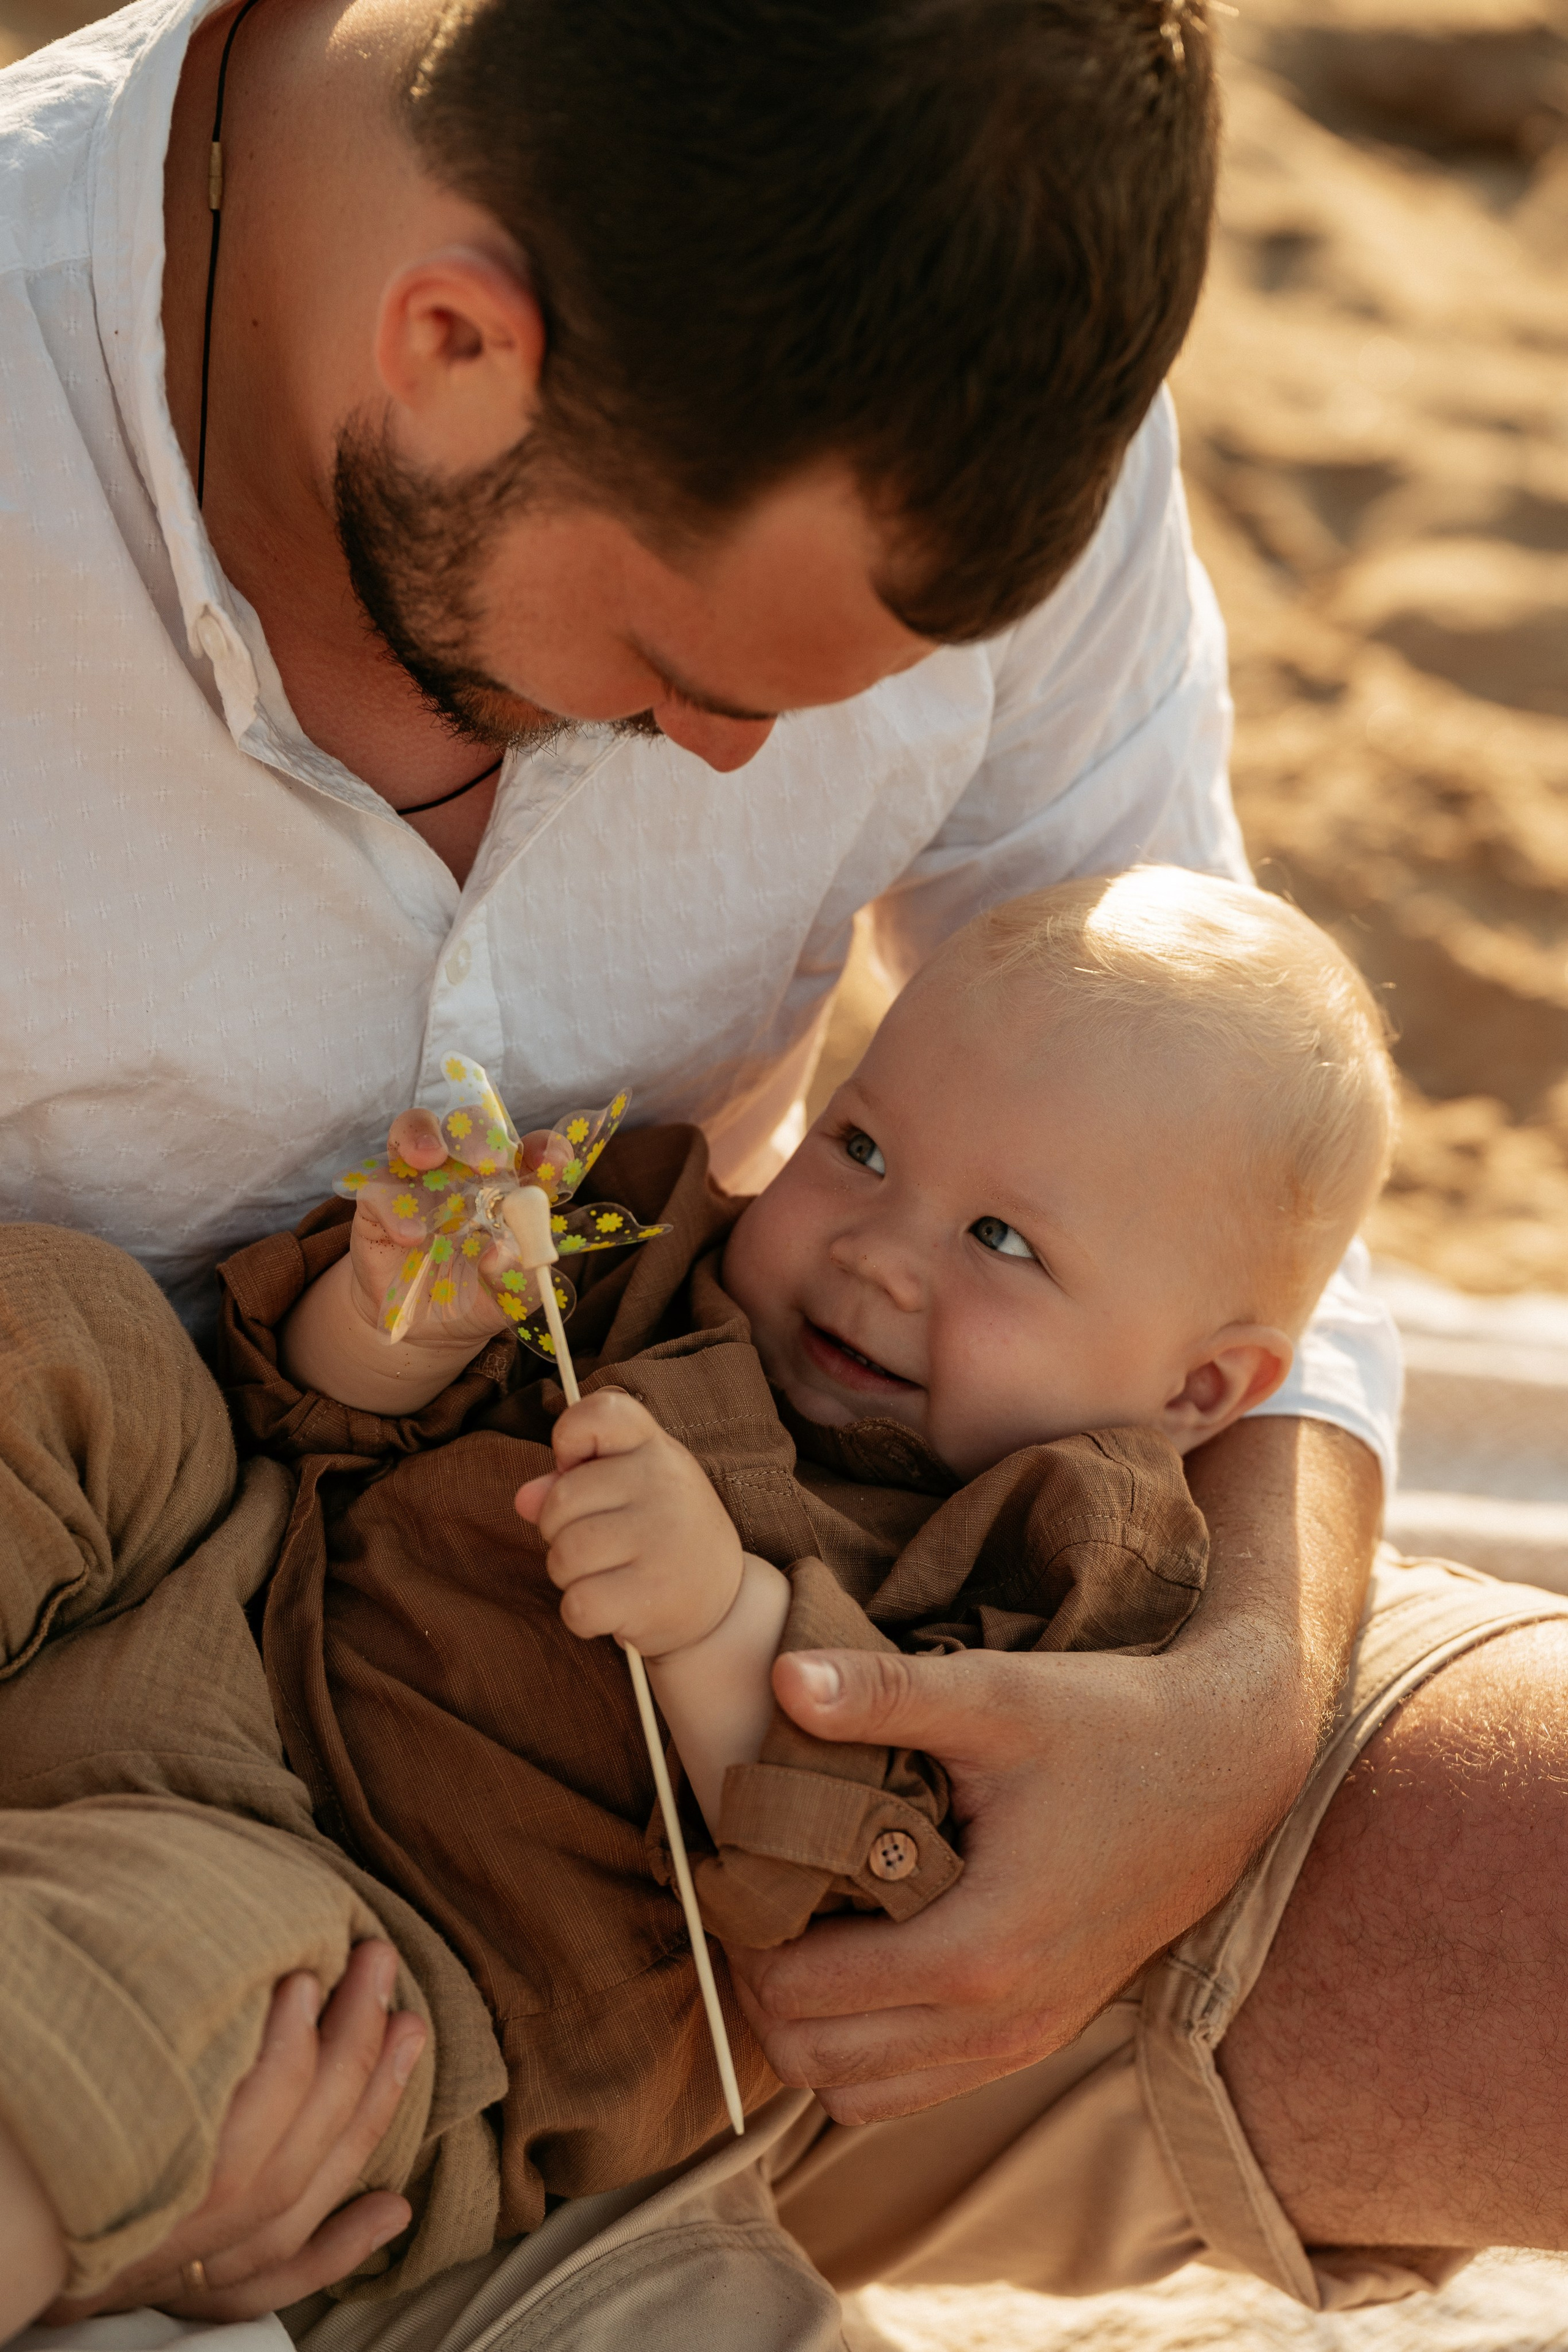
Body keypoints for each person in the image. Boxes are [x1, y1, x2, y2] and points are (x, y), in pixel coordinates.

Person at [0, 0, 1561, 2333]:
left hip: (722, 1954)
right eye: (677, 667)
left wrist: (1229, 1706)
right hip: (137, 1765)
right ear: (452, 342)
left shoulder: (956, 339)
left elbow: (1224, 1132)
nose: (742, 762)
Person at [0, 870, 1403, 2324]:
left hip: (390, 1932)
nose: (875, 1252)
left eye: (1000, 1242)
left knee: (163, 1990)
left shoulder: (1067, 1566)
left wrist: (711, 1622)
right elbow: (313, 1422)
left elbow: (877, 1902)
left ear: (1199, 1389)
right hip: (210, 1598)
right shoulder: (661, 1242)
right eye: (860, 1146)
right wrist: (395, 1318)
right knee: (72, 1327)